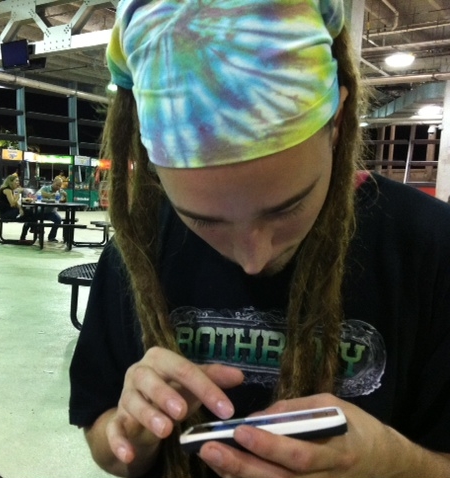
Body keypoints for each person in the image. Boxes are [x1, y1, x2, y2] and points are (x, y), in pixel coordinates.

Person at [68, 1, 450, 478]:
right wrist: (131, 432)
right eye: (203, 221)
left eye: (287, 208)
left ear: (336, 121)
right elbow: (103, 438)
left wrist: (391, 461)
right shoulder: (139, 246)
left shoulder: (431, 248)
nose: (254, 258)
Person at [0, 174, 35, 245]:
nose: (18, 183)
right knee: (30, 214)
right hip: (5, 214)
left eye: (18, 181)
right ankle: (33, 229)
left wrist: (21, 208)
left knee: (30, 214)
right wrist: (18, 193)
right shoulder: (7, 190)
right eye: (16, 181)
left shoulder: (11, 190)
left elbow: (16, 202)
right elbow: (12, 204)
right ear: (10, 182)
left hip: (10, 211)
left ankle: (30, 230)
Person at [33, 177, 66, 243]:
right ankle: (39, 231)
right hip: (41, 210)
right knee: (33, 217)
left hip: (51, 212)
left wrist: (65, 196)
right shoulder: (45, 188)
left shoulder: (60, 191)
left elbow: (63, 201)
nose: (58, 187)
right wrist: (50, 195)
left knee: (58, 220)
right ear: (53, 182)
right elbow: (37, 195)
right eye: (57, 185)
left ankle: (52, 237)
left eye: (59, 186)